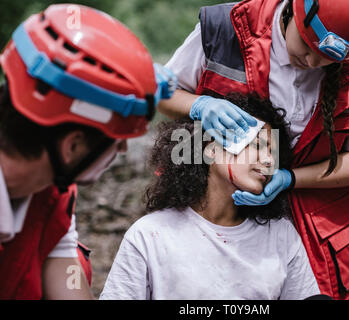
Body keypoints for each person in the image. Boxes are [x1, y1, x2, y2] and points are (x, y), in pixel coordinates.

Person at [158, 0, 349, 299]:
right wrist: (199, 104)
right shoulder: (227, 27)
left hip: (321, 235)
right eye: (308, 46)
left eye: (328, 60)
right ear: (295, 10)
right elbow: (163, 95)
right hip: (217, 218)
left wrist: (291, 178)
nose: (312, 63)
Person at [0, 4, 175, 299]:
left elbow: (67, 279)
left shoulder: (51, 194)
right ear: (73, 145)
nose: (121, 148)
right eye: (117, 139)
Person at [100, 93, 321, 300]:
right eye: (256, 145)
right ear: (210, 149)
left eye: (272, 152)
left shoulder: (281, 236)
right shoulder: (149, 236)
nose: (268, 161)